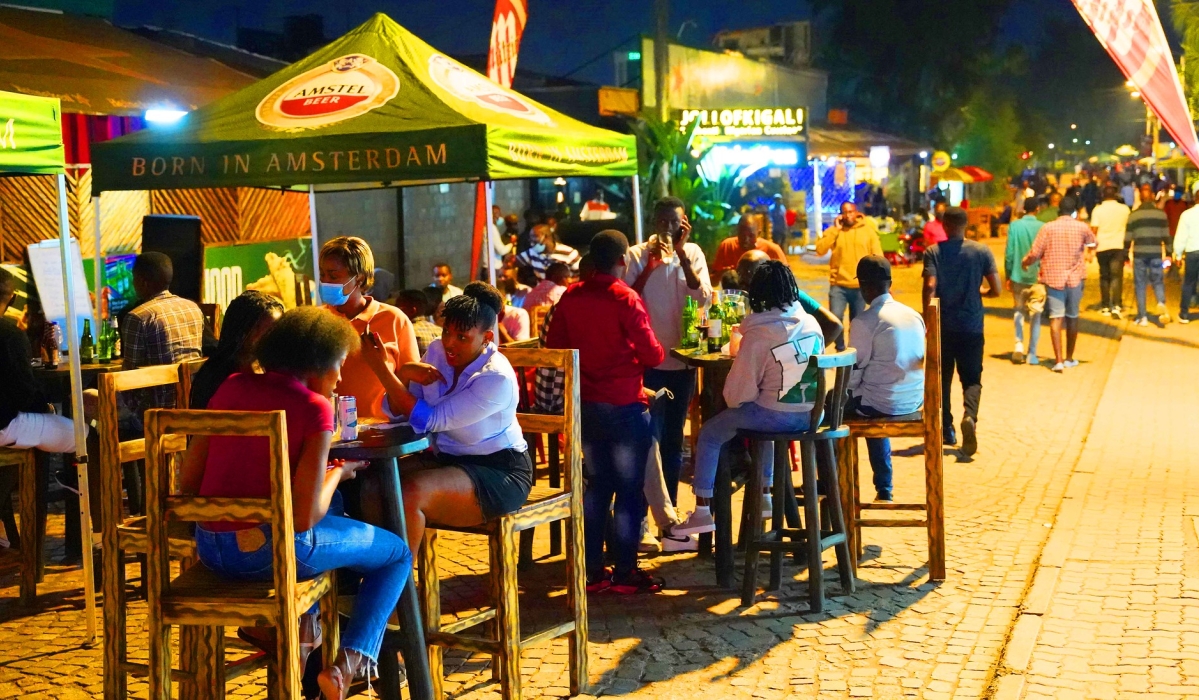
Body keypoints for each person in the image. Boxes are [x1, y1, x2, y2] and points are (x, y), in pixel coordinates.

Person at [180, 307, 412, 699]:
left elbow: (188, 482)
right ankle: (347, 666)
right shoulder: (315, 408)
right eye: (338, 366)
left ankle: (306, 625)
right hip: (267, 555)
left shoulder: (232, 386)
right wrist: (340, 471)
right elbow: (302, 519)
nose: (339, 378)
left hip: (210, 548)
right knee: (397, 554)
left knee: (334, 505)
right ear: (317, 364)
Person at [362, 283, 533, 558]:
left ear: (487, 337)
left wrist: (382, 369)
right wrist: (404, 373)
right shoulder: (437, 351)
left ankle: (401, 589)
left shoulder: (496, 377)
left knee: (411, 493)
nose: (450, 343)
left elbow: (430, 419)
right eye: (446, 332)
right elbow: (400, 410)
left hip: (499, 471)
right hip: (448, 460)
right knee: (372, 483)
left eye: (462, 337)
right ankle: (376, 571)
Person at [545, 230, 665, 594]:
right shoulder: (625, 299)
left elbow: (555, 347)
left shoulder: (571, 296)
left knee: (597, 488)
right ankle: (625, 572)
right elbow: (654, 355)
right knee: (630, 491)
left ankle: (593, 571)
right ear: (622, 260)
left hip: (587, 407)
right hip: (625, 405)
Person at [673, 261, 824, 535]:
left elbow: (735, 396)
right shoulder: (811, 323)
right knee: (762, 419)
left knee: (711, 432)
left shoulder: (758, 335)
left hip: (775, 418)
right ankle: (764, 493)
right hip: (812, 416)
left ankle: (703, 510)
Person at [623, 197, 711, 510]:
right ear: (654, 222)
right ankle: (644, 515)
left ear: (684, 223)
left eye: (674, 223)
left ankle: (670, 509)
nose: (668, 229)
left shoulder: (694, 252)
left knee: (673, 438)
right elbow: (626, 296)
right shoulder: (636, 254)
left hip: (682, 361)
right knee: (648, 439)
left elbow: (703, 297)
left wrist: (683, 255)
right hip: (646, 361)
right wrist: (651, 265)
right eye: (662, 223)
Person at [923, 206, 1000, 456]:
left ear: (944, 225)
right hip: (972, 326)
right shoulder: (981, 251)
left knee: (942, 380)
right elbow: (996, 289)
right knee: (972, 378)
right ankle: (970, 416)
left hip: (943, 326)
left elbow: (930, 286)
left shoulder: (933, 252)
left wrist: (927, 317)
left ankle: (947, 428)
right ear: (966, 225)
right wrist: (983, 292)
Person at [847, 256, 925, 502]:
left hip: (882, 403)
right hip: (914, 400)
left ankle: (833, 483)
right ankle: (884, 488)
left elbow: (854, 372)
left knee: (831, 406)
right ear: (889, 283)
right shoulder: (914, 315)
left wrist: (843, 392)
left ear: (863, 287)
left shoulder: (864, 321)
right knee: (875, 394)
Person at [320, 236, 420, 423]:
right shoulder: (317, 321)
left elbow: (412, 385)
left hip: (384, 435)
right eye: (322, 275)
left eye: (333, 276)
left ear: (359, 279)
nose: (325, 282)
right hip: (330, 435)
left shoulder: (394, 319)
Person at [0, 266, 74, 454]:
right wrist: (47, 408)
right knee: (86, 436)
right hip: (4, 426)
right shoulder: (10, 335)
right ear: (14, 298)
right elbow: (24, 393)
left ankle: (20, 482)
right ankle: (82, 483)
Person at [1022, 196, 1096, 371]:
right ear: (1074, 211)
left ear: (1058, 211)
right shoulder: (1082, 227)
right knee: (1072, 317)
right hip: (1075, 279)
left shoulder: (1047, 228)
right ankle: (1070, 357)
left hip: (1053, 278)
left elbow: (1035, 252)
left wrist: (1025, 262)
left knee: (1056, 317)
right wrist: (1089, 251)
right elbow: (1093, 241)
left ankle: (1058, 361)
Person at [189, 291, 284, 410]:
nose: (276, 339)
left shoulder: (273, 370)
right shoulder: (217, 380)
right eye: (269, 332)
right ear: (243, 332)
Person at [737, 250, 844, 347]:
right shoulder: (740, 296)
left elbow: (834, 325)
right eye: (739, 274)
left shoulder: (788, 295)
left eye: (749, 279)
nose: (743, 285)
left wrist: (809, 356)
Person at [815, 201, 884, 350]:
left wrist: (882, 282)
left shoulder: (867, 231)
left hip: (860, 286)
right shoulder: (835, 231)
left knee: (857, 322)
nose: (848, 215)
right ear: (840, 215)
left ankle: (854, 351)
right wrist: (835, 230)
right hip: (838, 286)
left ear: (856, 212)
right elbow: (820, 250)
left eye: (851, 211)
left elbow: (878, 257)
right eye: (845, 212)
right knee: (835, 319)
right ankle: (840, 348)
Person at [1124, 183, 1172, 327]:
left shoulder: (1134, 215)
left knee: (1140, 284)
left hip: (1139, 254)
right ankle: (1161, 302)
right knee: (1158, 280)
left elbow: (1128, 237)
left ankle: (1143, 317)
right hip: (1156, 253)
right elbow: (1166, 235)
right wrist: (1169, 253)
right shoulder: (1161, 214)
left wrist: (1125, 254)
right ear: (1152, 196)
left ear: (1139, 196)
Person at [1004, 197, 1045, 365]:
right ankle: (1032, 353)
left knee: (1018, 311)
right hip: (1038, 277)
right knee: (1036, 315)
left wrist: (1008, 275)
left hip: (1018, 276)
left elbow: (1009, 253)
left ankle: (1018, 345)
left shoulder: (1014, 226)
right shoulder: (1043, 227)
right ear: (1037, 209)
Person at [1090, 186, 1132, 318]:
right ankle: (1117, 305)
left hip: (1102, 246)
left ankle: (1105, 306)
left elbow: (1094, 230)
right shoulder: (1124, 209)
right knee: (1116, 276)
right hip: (1118, 246)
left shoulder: (1098, 210)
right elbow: (1128, 227)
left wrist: (1090, 248)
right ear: (1116, 194)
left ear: (1103, 194)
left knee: (1104, 276)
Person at [709, 216, 786, 285]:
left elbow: (786, 280)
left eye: (751, 236)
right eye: (742, 235)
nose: (746, 239)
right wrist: (723, 274)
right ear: (736, 232)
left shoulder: (772, 250)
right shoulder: (727, 246)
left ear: (758, 233)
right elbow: (713, 282)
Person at [516, 224, 581, 279]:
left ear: (546, 236)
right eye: (530, 237)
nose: (531, 240)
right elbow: (514, 262)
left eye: (534, 236)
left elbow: (581, 275)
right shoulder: (532, 253)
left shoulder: (569, 253)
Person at [395, 289, 442, 356]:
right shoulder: (440, 330)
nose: (394, 311)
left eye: (397, 307)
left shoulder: (406, 332)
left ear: (412, 311)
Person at [1173, 200, 1199, 323]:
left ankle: (1184, 313)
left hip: (1192, 251)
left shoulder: (1187, 215)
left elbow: (1181, 236)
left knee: (1189, 282)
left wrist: (1178, 255)